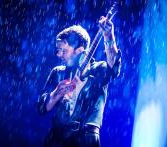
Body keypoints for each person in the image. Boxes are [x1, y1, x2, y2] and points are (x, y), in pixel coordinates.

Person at [37, 16, 122, 147]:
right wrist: (56, 94)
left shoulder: (98, 70)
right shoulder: (57, 72)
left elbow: (114, 67)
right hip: (56, 138)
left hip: (86, 139)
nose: (58, 55)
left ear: (79, 50)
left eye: (63, 50)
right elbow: (42, 108)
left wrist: (109, 36)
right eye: (57, 50)